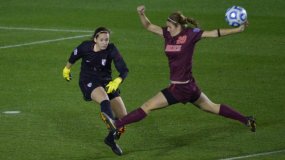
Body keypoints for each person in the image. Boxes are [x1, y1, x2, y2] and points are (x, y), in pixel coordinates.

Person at [101, 5, 256, 149]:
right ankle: (246, 120)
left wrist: (238, 30)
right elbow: (149, 26)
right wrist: (142, 14)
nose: (167, 28)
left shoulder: (191, 34)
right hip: (189, 86)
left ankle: (117, 123)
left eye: (169, 26)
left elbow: (214, 33)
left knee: (147, 106)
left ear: (178, 26)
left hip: (180, 88)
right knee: (211, 107)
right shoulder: (168, 34)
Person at [62, 27, 129, 156]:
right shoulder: (85, 47)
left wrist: (117, 81)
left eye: (107, 40)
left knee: (124, 119)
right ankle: (111, 123)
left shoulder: (111, 49)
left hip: (106, 82)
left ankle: (110, 140)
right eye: (102, 40)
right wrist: (66, 69)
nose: (105, 42)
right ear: (95, 40)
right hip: (88, 80)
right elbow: (74, 55)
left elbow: (124, 69)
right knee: (104, 99)